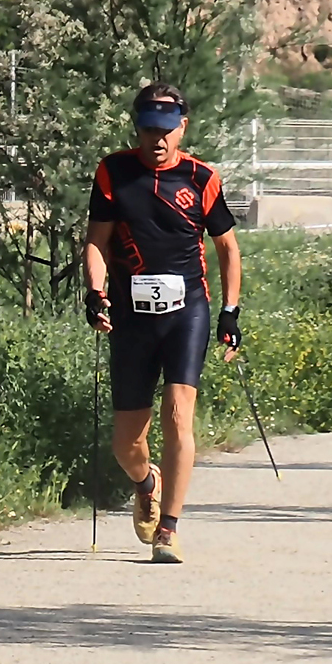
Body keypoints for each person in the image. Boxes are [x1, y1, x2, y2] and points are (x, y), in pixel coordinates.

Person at [83, 83, 243, 564]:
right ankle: (146, 482)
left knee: (178, 415)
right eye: (149, 129)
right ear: (137, 128)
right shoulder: (114, 172)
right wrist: (95, 293)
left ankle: (169, 528)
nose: (158, 139)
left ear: (182, 130)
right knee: (126, 445)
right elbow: (95, 242)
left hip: (187, 311)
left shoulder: (201, 177)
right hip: (132, 315)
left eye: (167, 131)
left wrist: (230, 313)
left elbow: (228, 249)